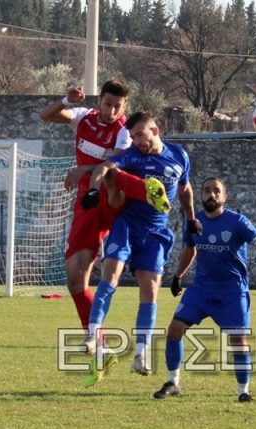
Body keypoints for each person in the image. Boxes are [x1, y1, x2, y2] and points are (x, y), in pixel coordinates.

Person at [80, 111, 200, 385]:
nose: (137, 141)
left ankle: (141, 353)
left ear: (154, 130)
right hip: (127, 225)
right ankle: (92, 333)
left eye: (140, 135)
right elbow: (103, 167)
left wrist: (192, 219)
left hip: (156, 231)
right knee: (110, 275)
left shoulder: (179, 155)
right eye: (132, 136)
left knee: (150, 289)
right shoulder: (132, 155)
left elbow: (185, 190)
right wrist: (94, 189)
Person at [152, 177, 256, 402]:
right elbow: (190, 250)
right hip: (201, 290)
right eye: (206, 191)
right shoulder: (195, 221)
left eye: (216, 191)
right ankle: (173, 382)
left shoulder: (238, 222)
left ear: (225, 197)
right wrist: (177, 276)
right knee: (174, 330)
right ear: (201, 196)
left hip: (232, 293)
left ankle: (243, 391)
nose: (211, 195)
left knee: (238, 341)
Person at [38, 80, 133, 332]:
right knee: (74, 280)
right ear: (99, 100)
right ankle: (95, 337)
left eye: (118, 107)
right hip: (87, 202)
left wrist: (84, 169)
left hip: (113, 202)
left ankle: (127, 340)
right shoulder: (84, 118)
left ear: (125, 107)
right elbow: (45, 116)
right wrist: (66, 101)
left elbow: (114, 168)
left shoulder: (124, 131)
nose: (112, 111)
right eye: (108, 104)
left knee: (135, 276)